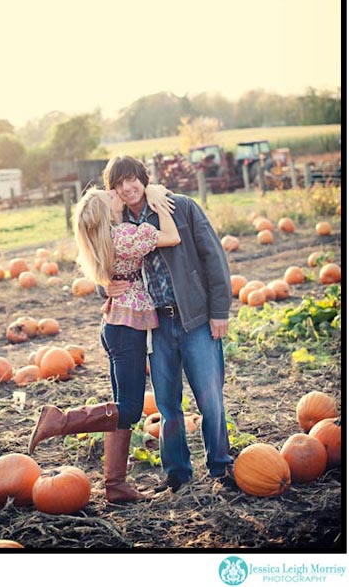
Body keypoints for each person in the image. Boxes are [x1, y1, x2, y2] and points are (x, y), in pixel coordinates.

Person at [28, 183, 180, 504]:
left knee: (120, 408)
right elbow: (171, 237)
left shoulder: (100, 241)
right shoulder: (122, 235)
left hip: (114, 325)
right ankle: (60, 420)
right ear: (105, 212)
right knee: (130, 409)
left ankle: (115, 485)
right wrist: (161, 205)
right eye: (109, 196)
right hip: (126, 329)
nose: (116, 195)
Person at [102, 155, 233, 494]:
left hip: (196, 319)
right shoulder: (115, 225)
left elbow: (214, 258)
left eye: (132, 179)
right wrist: (105, 285)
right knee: (167, 404)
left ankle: (220, 464)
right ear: (113, 190)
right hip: (155, 324)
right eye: (119, 183)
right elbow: (104, 265)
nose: (127, 187)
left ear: (143, 179)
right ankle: (177, 472)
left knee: (209, 397)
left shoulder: (180, 207)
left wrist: (220, 311)